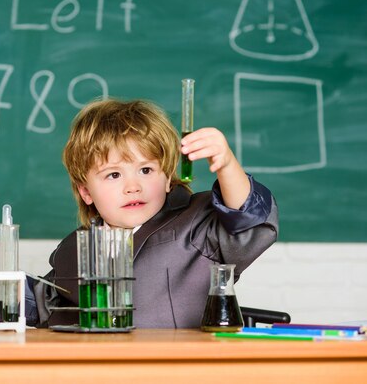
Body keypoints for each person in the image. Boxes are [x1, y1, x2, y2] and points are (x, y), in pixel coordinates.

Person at [25, 98, 278, 328]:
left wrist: (227, 165)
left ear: (168, 177)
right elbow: (43, 303)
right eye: (114, 174)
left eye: (145, 170)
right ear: (86, 192)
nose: (133, 187)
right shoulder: (74, 249)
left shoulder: (199, 227)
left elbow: (248, 221)